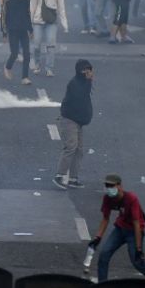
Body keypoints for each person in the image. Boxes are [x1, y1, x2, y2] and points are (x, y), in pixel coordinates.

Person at [88, 174, 145, 284]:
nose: (109, 188)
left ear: (120, 186)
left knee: (137, 262)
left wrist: (139, 249)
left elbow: (136, 223)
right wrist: (98, 237)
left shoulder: (131, 198)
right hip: (120, 229)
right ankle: (103, 287)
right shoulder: (107, 198)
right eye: (107, 185)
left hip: (134, 232)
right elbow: (105, 219)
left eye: (111, 186)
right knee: (104, 256)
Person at [53, 60, 93, 190]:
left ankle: (73, 178)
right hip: (69, 120)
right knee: (71, 147)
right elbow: (81, 97)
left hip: (78, 121)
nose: (87, 73)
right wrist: (88, 81)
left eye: (89, 70)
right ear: (79, 71)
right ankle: (59, 176)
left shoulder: (84, 82)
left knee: (79, 150)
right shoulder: (75, 83)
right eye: (85, 70)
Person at [0, 0, 34, 84]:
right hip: (12, 28)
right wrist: (4, 32)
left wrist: (30, 29)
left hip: (23, 27)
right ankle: (8, 67)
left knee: (27, 54)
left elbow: (28, 12)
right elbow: (3, 14)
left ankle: (25, 77)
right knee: (14, 53)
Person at [31, 0, 69, 76]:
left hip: (51, 21)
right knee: (36, 45)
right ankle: (37, 64)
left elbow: (61, 7)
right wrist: (30, 22)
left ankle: (49, 68)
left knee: (51, 45)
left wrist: (64, 23)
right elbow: (32, 6)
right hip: (38, 21)